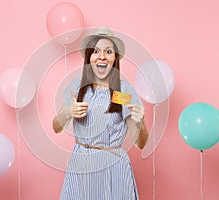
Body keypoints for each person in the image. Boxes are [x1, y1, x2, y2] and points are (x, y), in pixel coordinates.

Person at [52, 26, 149, 200]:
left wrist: (140, 123)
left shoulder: (121, 93)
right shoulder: (78, 88)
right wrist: (67, 112)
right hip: (81, 165)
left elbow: (140, 144)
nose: (102, 56)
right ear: (89, 57)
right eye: (96, 51)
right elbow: (56, 127)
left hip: (113, 167)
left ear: (115, 58)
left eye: (108, 51)